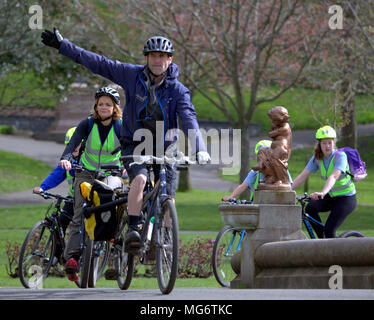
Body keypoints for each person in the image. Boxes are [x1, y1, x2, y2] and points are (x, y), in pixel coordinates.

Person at [41, 30, 210, 253]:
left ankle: (166, 240)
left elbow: (188, 117)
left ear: (170, 60)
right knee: (139, 178)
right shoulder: (132, 76)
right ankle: (133, 227)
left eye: (162, 56)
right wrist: (64, 46)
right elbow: (99, 63)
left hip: (165, 146)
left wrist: (200, 149)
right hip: (134, 143)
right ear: (146, 59)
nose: (157, 60)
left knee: (168, 194)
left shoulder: (178, 91)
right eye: (153, 56)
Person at [59, 86, 123, 281]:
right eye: (101, 104)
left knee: (112, 208)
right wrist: (66, 158)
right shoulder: (87, 124)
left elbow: (130, 147)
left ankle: (112, 251)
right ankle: (72, 260)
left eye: (108, 105)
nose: (104, 107)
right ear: (96, 106)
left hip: (110, 174)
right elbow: (73, 144)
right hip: (85, 173)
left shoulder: (121, 126)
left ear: (114, 108)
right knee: (79, 213)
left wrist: (128, 165)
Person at [291, 125, 357, 238]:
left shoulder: (340, 156)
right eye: (324, 143)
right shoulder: (317, 158)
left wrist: (323, 193)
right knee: (310, 208)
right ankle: (322, 240)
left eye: (330, 143)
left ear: (334, 143)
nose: (327, 146)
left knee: (330, 230)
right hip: (331, 196)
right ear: (319, 144)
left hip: (346, 199)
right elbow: (303, 175)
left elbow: (334, 177)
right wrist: (288, 189)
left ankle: (336, 250)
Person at [33, 127, 81, 263]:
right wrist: (43, 187)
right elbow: (56, 174)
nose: (73, 148)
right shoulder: (68, 160)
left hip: (88, 200)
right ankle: (56, 255)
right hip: (72, 199)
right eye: (69, 145)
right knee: (60, 223)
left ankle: (82, 254)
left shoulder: (91, 160)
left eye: (76, 144)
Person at [222, 140, 293, 202]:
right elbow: (243, 186)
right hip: (259, 201)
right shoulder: (256, 171)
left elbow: (290, 185)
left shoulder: (281, 168)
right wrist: (231, 196)